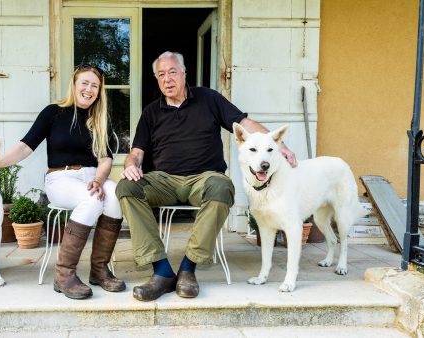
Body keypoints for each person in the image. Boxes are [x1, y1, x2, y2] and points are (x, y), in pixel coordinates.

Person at [116, 51, 298, 301]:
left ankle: (188, 268)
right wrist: (130, 165)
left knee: (222, 187)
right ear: (156, 80)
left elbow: (244, 123)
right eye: (161, 75)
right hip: (164, 180)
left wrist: (280, 147)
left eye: (172, 72)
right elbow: (136, 152)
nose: (167, 79)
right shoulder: (151, 112)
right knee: (127, 187)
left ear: (183, 73)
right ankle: (161, 271)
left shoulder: (208, 99)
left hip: (204, 179)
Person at [0, 64, 125, 300]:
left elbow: (106, 159)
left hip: (93, 176)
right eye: (84, 83)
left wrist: (98, 178)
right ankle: (64, 274)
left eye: (95, 85)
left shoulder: (99, 118)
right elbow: (26, 146)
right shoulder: (53, 112)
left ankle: (99, 270)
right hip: (61, 178)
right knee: (92, 201)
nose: (89, 89)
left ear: (99, 90)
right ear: (74, 85)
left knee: (114, 194)